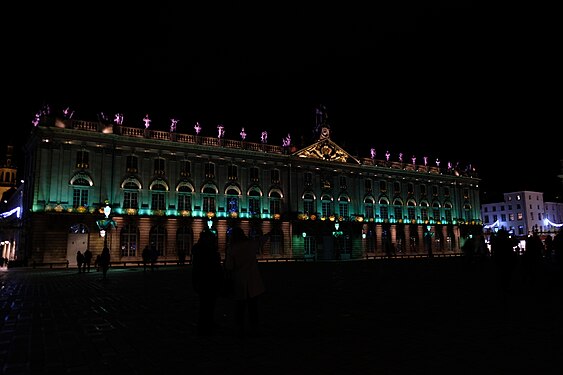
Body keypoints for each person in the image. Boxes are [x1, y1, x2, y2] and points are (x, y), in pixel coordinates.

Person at [225, 226, 265, 338]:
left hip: (240, 281)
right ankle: (254, 328)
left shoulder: (232, 248)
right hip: (253, 280)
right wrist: (268, 235)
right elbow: (260, 241)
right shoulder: (250, 245)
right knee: (253, 307)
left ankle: (239, 329)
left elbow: (229, 266)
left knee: (240, 307)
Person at [191, 229, 223, 336]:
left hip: (207, 279)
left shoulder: (200, 249)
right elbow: (198, 266)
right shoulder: (205, 250)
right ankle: (204, 324)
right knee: (206, 303)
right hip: (207, 278)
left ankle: (207, 322)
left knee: (208, 303)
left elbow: (195, 267)